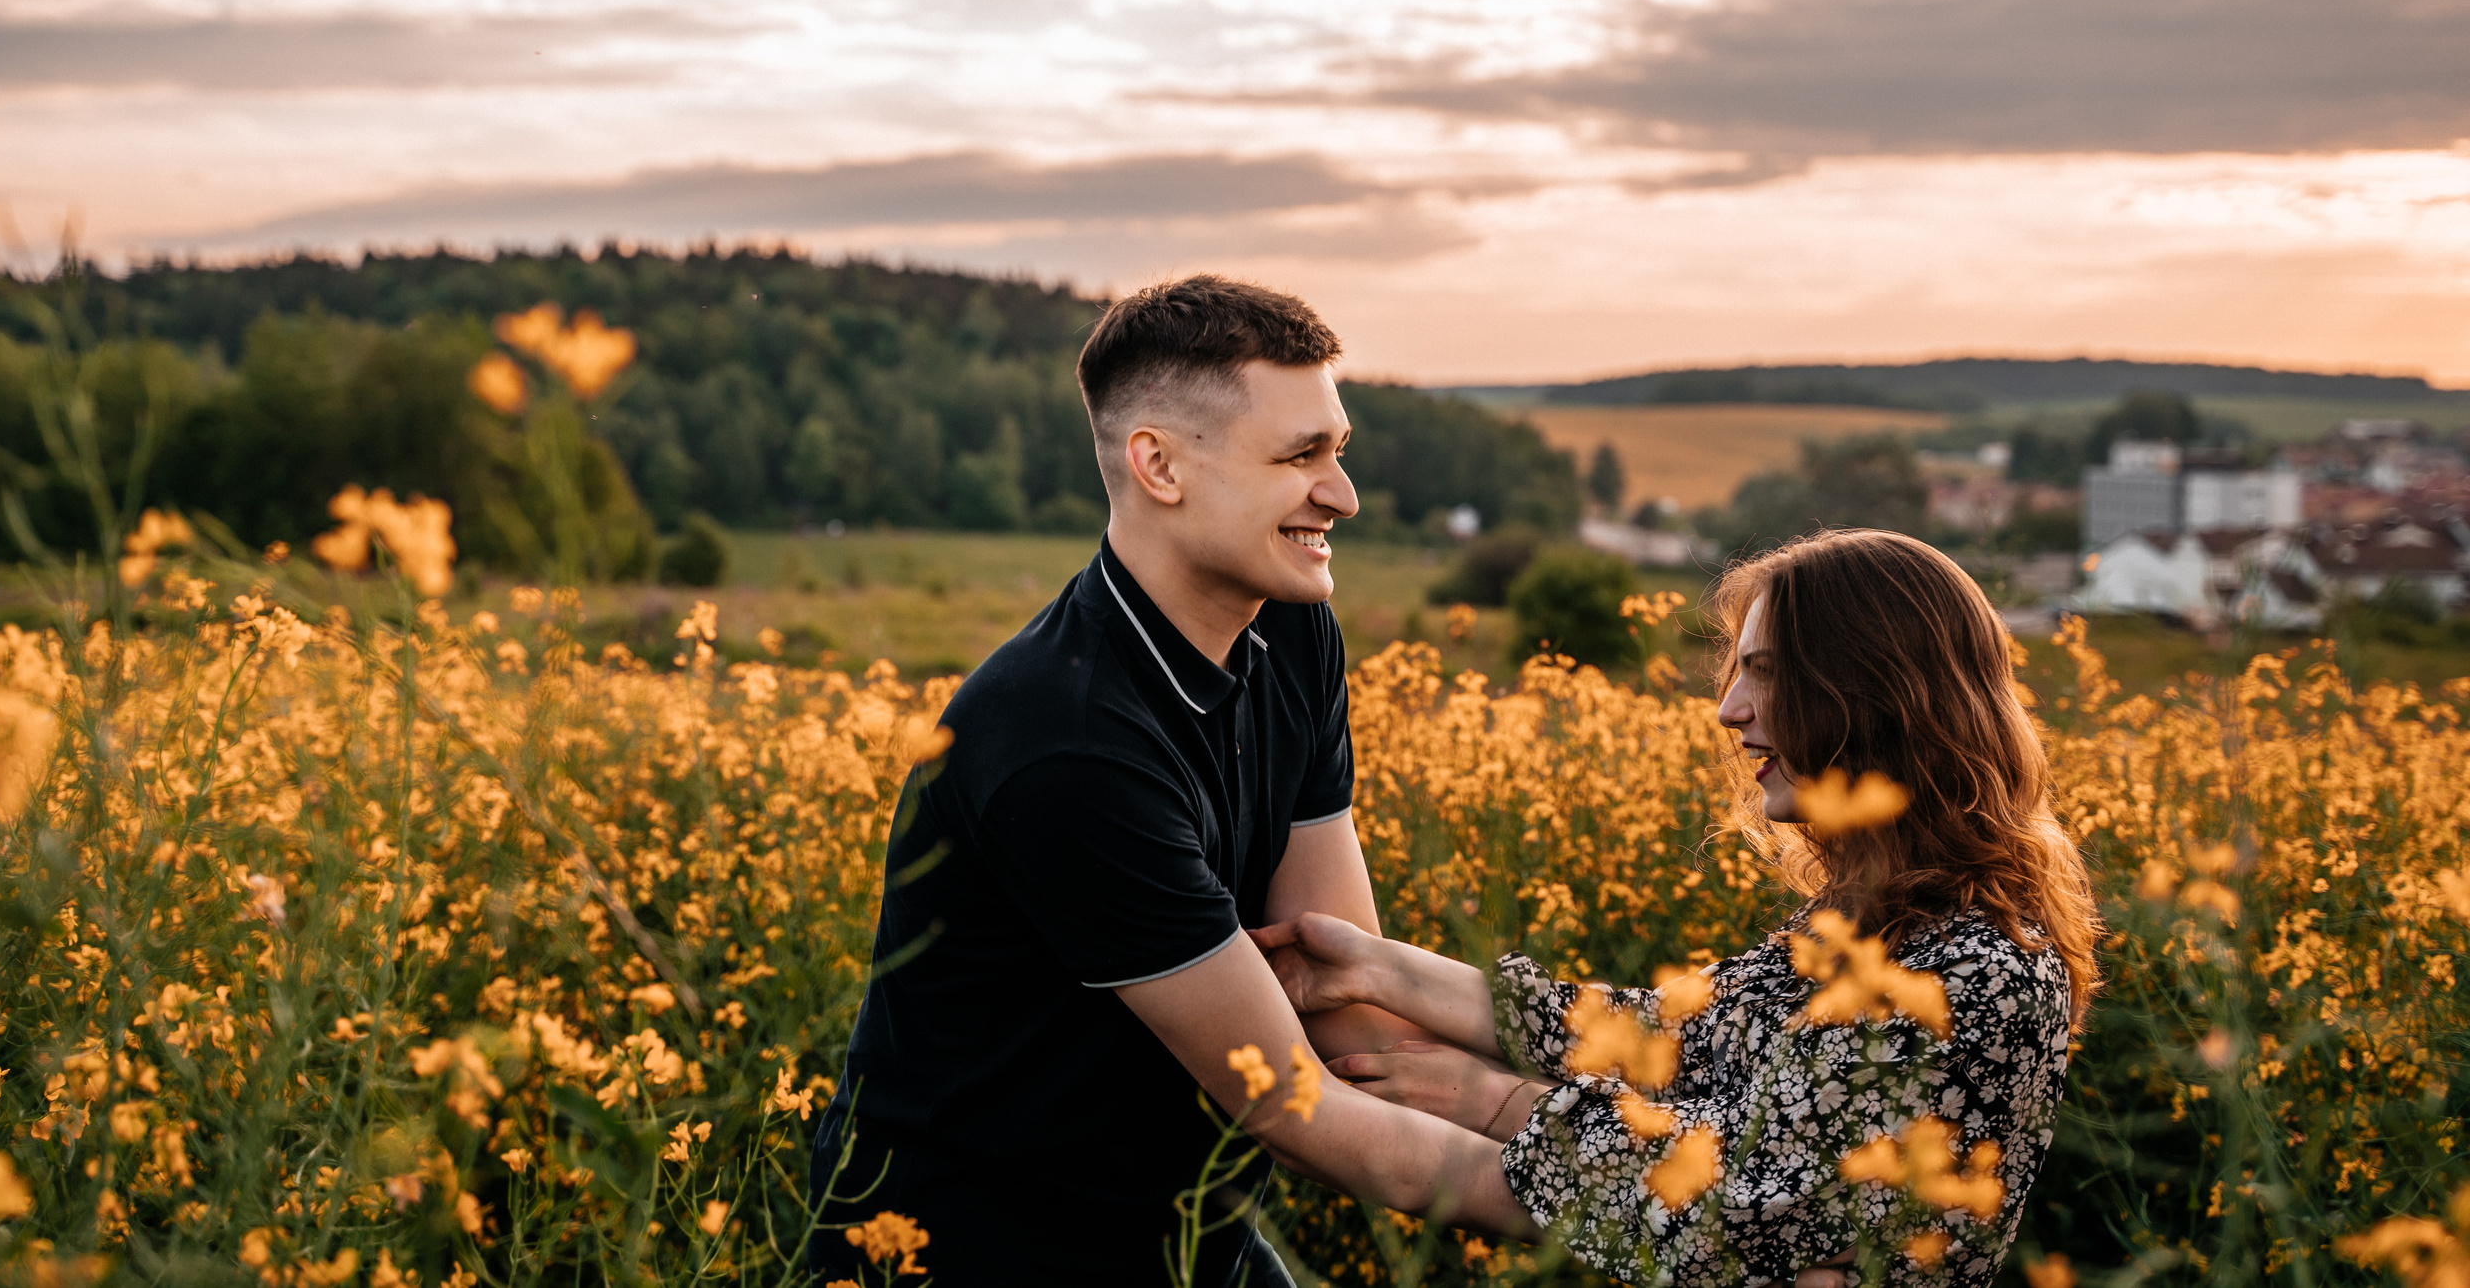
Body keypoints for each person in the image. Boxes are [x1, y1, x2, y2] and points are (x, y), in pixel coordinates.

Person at [808, 276, 1521, 1287]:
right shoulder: (1064, 742)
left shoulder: (1293, 628)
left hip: (1184, 1227)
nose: (1343, 494)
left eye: (1338, 451)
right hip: (970, 1248)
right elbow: (1292, 1107)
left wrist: (1638, 1129)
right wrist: (1642, 1201)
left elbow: (1340, 987)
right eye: (1300, 457)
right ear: (1159, 466)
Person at [1256, 528, 2101, 1285]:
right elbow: (1670, 1043)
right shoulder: (1868, 922)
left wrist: (1494, 1100)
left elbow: (1732, 1209)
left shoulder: (1984, 972)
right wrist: (1375, 967)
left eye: (1767, 673)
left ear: (1877, 693)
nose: (1730, 709)